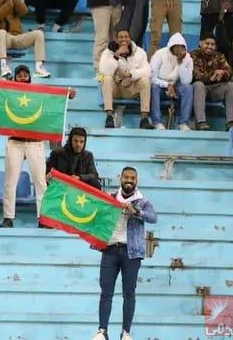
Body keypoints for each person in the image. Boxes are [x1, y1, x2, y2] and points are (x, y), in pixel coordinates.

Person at [90, 166, 157, 340]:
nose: (129, 181)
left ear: (136, 180)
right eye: (126, 177)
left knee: (129, 293)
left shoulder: (142, 200)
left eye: (132, 178)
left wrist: (135, 212)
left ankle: (125, 332)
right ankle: (102, 331)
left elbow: (153, 217)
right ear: (121, 178)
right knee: (106, 292)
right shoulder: (110, 198)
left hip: (131, 253)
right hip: (110, 250)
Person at [0, 65, 48, 228]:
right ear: (14, 78)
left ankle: (43, 218)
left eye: (25, 74)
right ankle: (8, 217)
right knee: (10, 181)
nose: (22, 77)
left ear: (30, 77)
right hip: (15, 142)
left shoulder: (37, 95)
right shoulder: (9, 95)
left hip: (36, 142)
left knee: (41, 182)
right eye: (19, 75)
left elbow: (53, 101)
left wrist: (65, 96)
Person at [99, 29, 153, 129]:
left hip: (130, 88)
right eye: (121, 37)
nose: (124, 39)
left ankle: (144, 119)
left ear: (130, 39)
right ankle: (109, 117)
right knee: (106, 78)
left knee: (145, 81)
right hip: (115, 89)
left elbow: (148, 71)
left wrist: (130, 74)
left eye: (126, 37)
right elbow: (103, 71)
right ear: (116, 40)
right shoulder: (107, 52)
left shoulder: (140, 52)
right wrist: (117, 55)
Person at [191, 33, 233, 131]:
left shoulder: (219, 56)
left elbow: (230, 72)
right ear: (200, 43)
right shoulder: (193, 55)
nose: (209, 46)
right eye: (207, 43)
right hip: (200, 90)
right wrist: (213, 76)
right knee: (198, 85)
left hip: (216, 89)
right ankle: (201, 122)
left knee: (232, 86)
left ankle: (231, 122)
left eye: (212, 44)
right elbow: (195, 75)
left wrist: (223, 72)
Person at [149, 33, 193, 131]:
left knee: (188, 88)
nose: (179, 50)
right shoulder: (159, 54)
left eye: (182, 47)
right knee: (154, 87)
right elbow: (152, 77)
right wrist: (167, 84)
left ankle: (183, 123)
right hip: (160, 86)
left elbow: (186, 81)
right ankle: (157, 122)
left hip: (176, 87)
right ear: (171, 47)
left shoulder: (188, 58)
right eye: (177, 47)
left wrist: (181, 63)